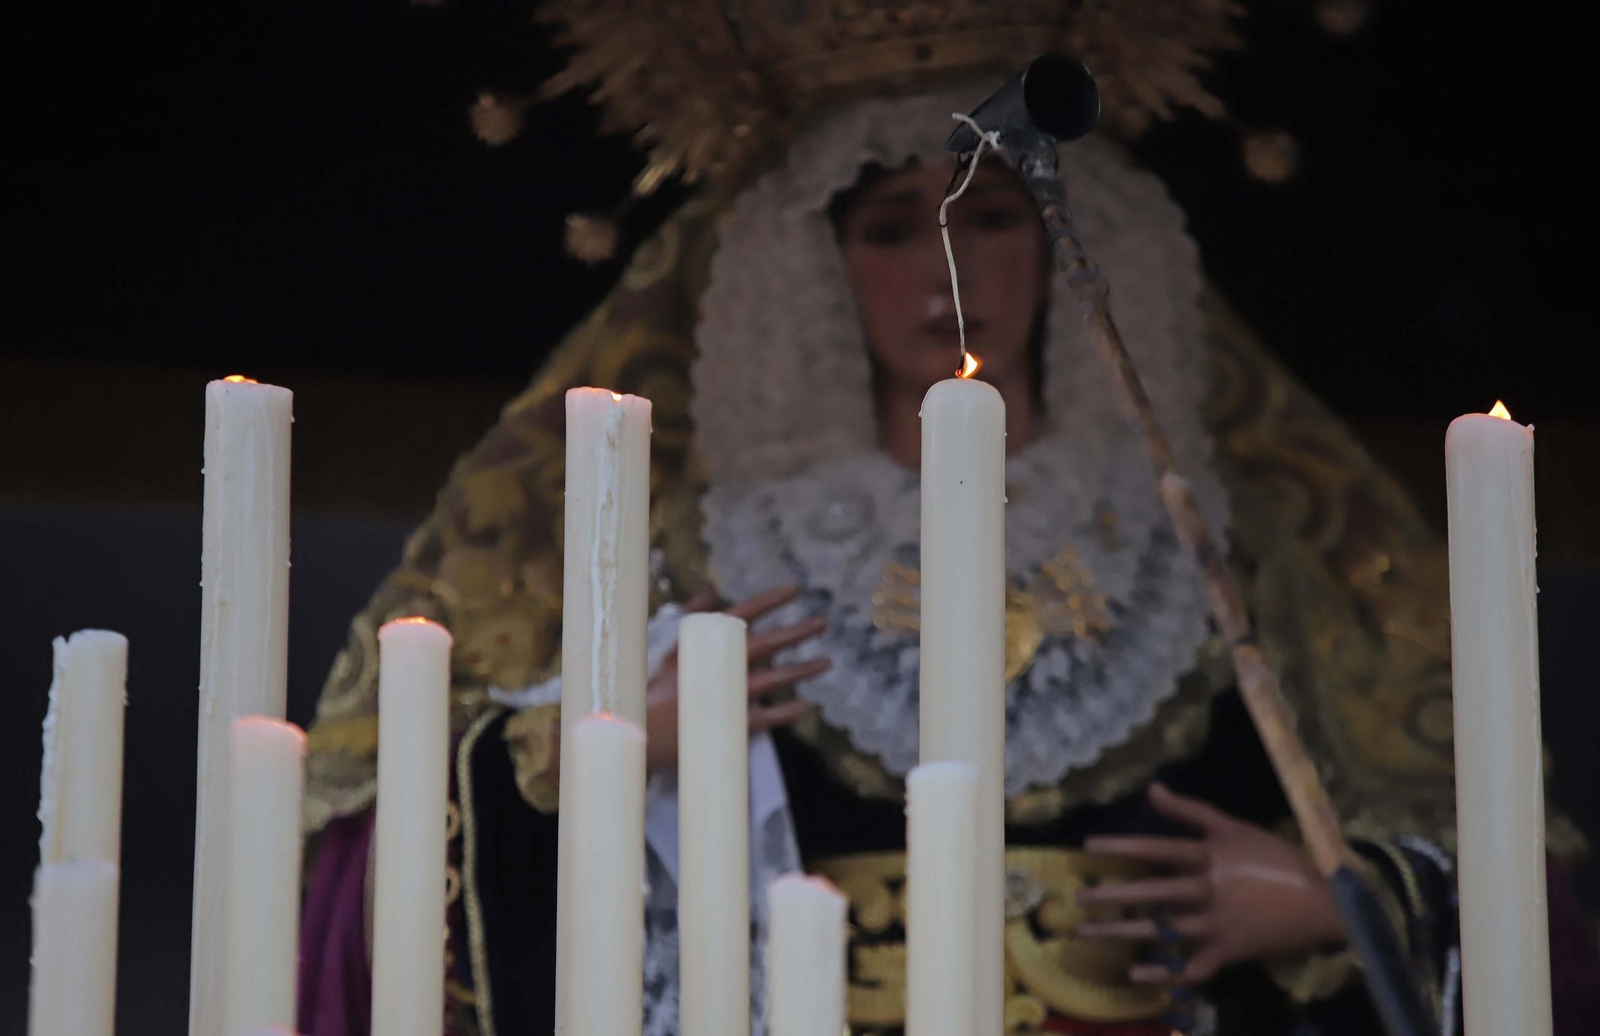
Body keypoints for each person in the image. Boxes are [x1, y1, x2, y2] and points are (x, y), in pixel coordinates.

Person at [295, 4, 1594, 1035]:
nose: (949, 266)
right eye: (890, 227)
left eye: (993, 213)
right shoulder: (693, 552)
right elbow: (384, 868)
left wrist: (1333, 902)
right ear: (818, 266)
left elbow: (1494, 867)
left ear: (1060, 240)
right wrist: (599, 749)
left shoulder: (1226, 553)